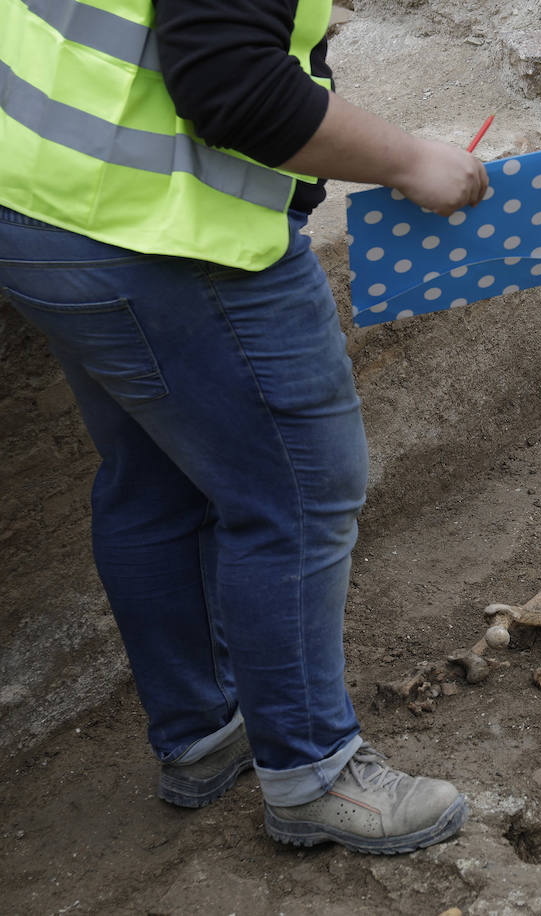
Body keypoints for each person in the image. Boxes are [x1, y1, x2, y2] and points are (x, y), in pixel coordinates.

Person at [0, 0, 489, 853]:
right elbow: (236, 88)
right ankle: (313, 776)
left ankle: (200, 736)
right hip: (170, 239)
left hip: (48, 208)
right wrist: (411, 159)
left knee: (152, 479)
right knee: (298, 495)